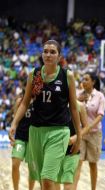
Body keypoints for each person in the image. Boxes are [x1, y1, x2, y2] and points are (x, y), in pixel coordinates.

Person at [9, 40, 81, 190]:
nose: (48, 54)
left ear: (59, 56)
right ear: (42, 54)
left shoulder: (67, 76)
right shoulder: (34, 74)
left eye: (52, 52)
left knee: (48, 179)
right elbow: (24, 102)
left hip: (58, 132)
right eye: (46, 51)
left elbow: (74, 108)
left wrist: (79, 137)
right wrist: (14, 123)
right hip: (35, 131)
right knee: (43, 181)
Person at [75, 72, 105, 190]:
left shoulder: (100, 96)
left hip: (94, 134)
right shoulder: (77, 94)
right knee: (78, 162)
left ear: (93, 82)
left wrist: (88, 127)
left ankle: (93, 188)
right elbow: (70, 108)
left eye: (86, 79)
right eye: (83, 79)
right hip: (80, 133)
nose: (83, 81)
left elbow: (100, 115)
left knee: (93, 164)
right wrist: (78, 99)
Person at [56, 101, 88, 190]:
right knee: (54, 183)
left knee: (68, 185)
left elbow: (86, 127)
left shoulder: (79, 106)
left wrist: (76, 137)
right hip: (55, 148)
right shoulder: (55, 102)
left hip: (72, 150)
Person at [10, 92, 35, 190]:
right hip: (20, 137)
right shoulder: (20, 101)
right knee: (15, 164)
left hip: (33, 139)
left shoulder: (39, 101)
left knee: (32, 169)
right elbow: (15, 120)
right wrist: (13, 135)